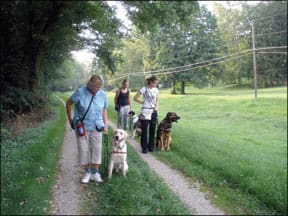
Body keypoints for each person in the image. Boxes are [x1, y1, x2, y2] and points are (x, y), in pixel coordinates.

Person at [66, 74, 108, 183]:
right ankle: (87, 172)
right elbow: (68, 103)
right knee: (83, 150)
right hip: (82, 127)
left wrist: (105, 125)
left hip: (97, 126)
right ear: (89, 84)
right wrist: (70, 120)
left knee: (97, 149)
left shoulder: (102, 94)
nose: (96, 90)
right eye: (94, 87)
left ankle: (95, 173)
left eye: (98, 87)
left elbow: (104, 110)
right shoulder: (80, 92)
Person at [133, 76, 159, 153]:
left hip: (153, 111)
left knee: (152, 130)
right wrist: (142, 102)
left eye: (156, 83)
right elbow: (135, 98)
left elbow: (157, 100)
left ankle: (151, 147)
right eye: (155, 83)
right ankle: (144, 148)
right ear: (151, 82)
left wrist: (156, 107)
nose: (156, 84)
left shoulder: (156, 90)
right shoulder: (144, 89)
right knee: (144, 130)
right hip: (145, 112)